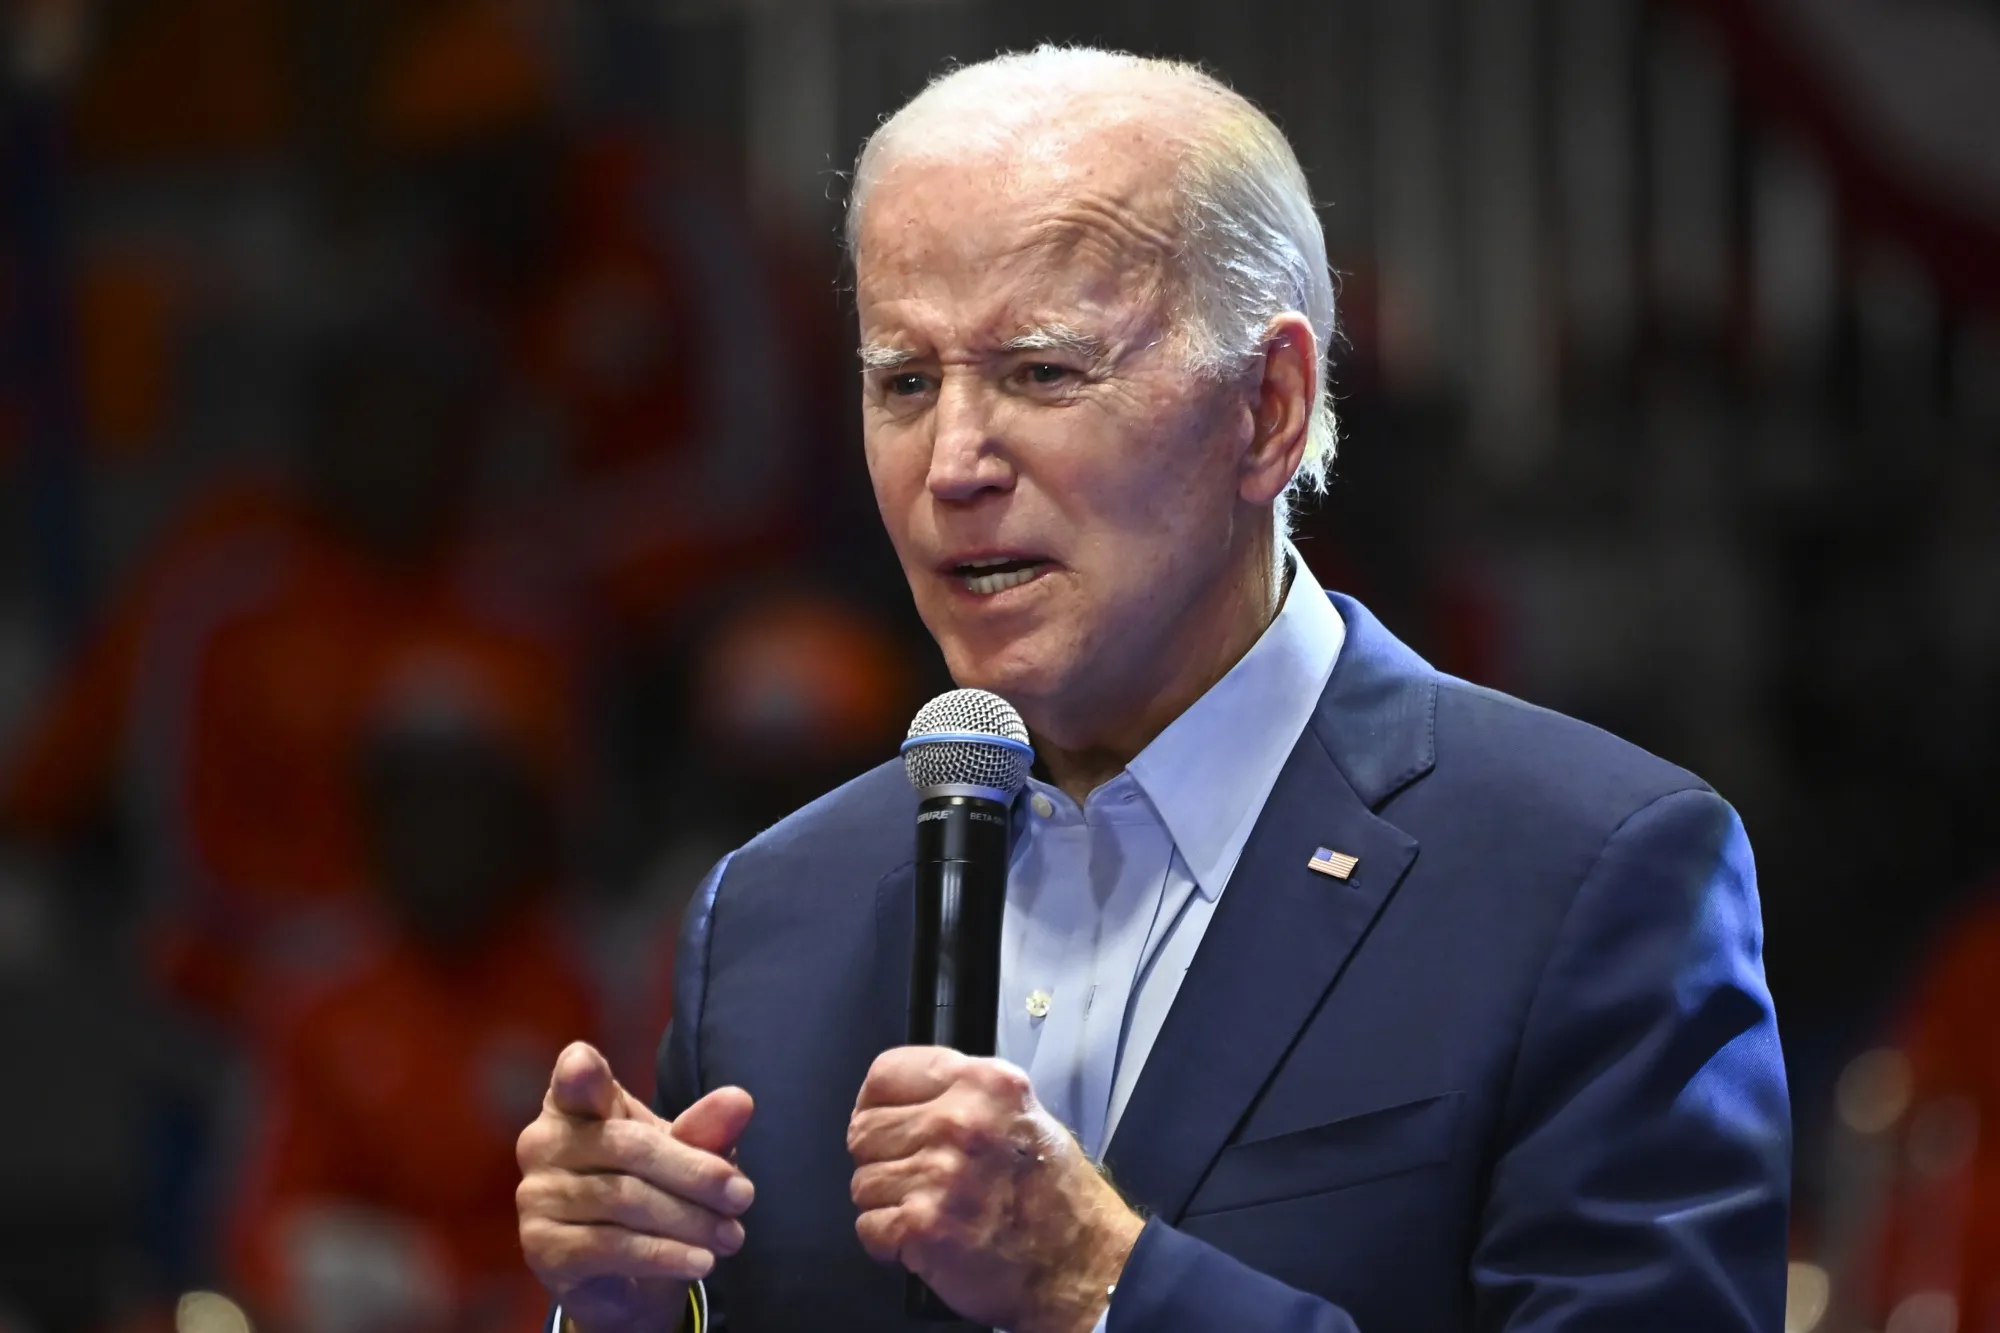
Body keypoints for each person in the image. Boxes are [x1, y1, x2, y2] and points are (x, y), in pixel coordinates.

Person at [514, 46, 1790, 1333]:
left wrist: (1104, 1285)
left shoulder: (1587, 873)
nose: (952, 461)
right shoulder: (772, 917)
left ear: (1267, 409)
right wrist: (622, 1307)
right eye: (904, 381)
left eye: (1043, 372)